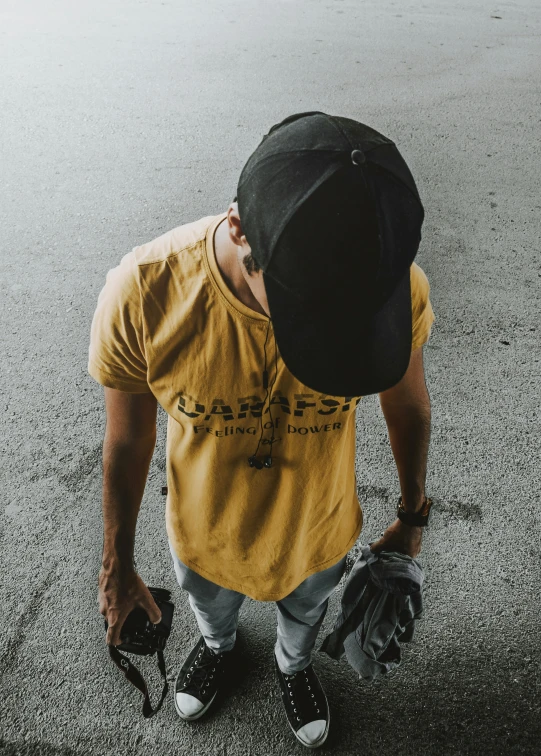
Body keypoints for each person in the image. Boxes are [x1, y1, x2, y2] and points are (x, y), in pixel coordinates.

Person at [89, 111, 435, 749]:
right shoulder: (142, 292)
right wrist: (117, 566)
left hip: (320, 525)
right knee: (209, 607)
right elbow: (128, 438)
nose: (339, 333)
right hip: (203, 529)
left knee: (308, 610)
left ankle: (292, 664)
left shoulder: (392, 288)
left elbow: (407, 402)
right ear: (241, 228)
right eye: (312, 309)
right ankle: (221, 647)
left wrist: (413, 516)